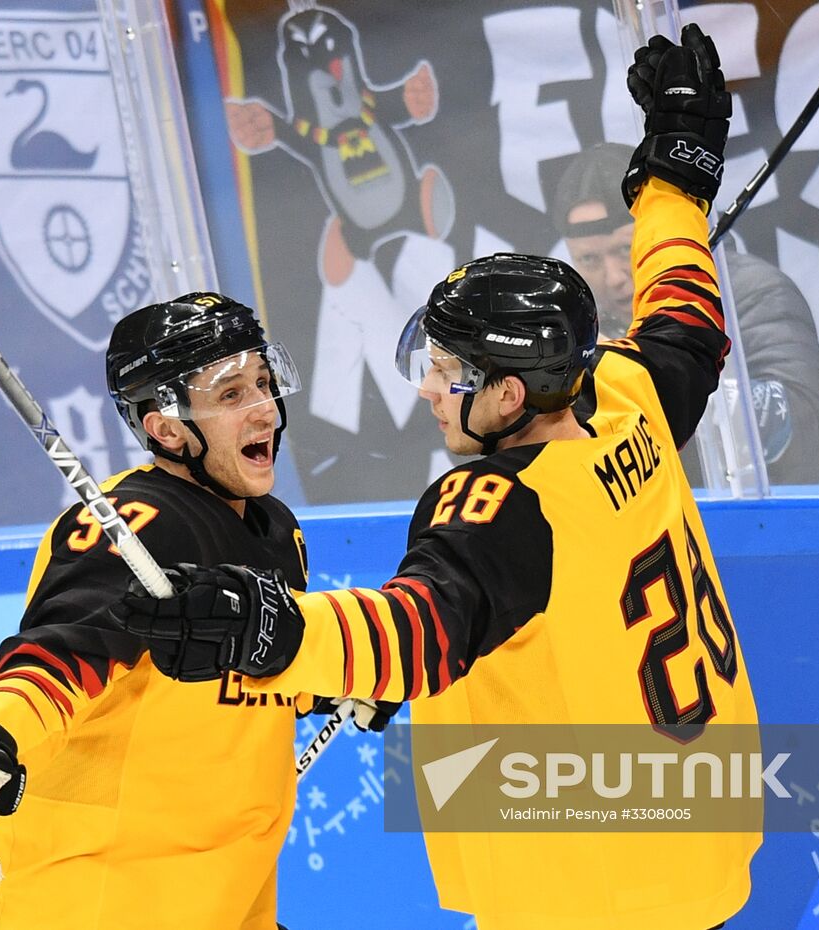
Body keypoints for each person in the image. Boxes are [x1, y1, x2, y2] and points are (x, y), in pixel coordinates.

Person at [108, 26, 759, 930]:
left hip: (588, 891)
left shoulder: (502, 503)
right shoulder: (625, 392)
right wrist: (675, 181)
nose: (426, 387)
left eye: (448, 371)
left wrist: (273, 628)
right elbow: (683, 313)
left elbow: (416, 631)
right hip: (702, 843)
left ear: (509, 393)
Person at [0, 293, 319, 929]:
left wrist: (326, 680)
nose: (265, 408)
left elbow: (256, 672)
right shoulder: (138, 525)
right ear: (167, 429)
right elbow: (59, 656)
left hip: (224, 896)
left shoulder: (276, 530)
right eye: (232, 394)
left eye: (264, 383)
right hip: (99, 900)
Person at [552, 141, 819, 485]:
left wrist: (636, 376)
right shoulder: (581, 320)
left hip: (772, 511)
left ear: (658, 237)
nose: (613, 277)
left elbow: (802, 422)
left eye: (625, 249)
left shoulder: (750, 292)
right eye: (589, 260)